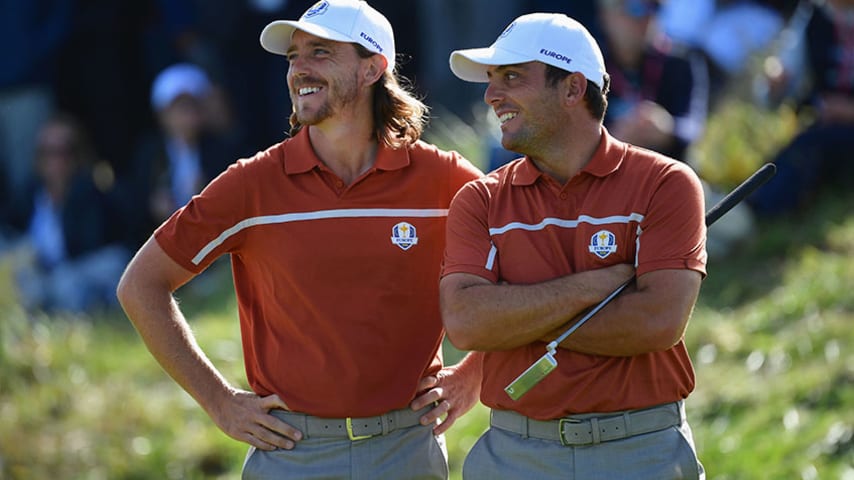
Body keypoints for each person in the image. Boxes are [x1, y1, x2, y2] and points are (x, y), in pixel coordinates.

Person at [116, 0, 483, 478]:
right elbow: (141, 286)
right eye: (293, 56)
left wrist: (473, 378)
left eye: (320, 52)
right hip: (290, 454)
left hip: (406, 450)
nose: (298, 69)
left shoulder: (444, 178)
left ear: (373, 68)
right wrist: (220, 402)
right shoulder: (252, 184)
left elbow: (527, 261)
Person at [442, 12, 707, 479]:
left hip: (642, 452)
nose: (491, 95)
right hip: (515, 453)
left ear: (572, 89)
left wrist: (514, 320)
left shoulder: (666, 183)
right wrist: (592, 287)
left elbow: (656, 322)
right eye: (491, 80)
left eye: (512, 77)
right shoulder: (479, 200)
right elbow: (466, 323)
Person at [0, 113, 129, 313]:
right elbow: (11, 231)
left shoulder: (93, 192)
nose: (55, 161)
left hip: (82, 271)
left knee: (68, 283)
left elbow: (88, 247)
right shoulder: (30, 192)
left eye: (63, 152)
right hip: (40, 277)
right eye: (47, 153)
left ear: (77, 155)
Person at [748, 0, 854, 215]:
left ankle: (760, 214)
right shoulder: (815, 15)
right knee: (798, 153)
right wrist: (776, 83)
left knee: (807, 148)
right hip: (826, 129)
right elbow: (785, 72)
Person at [597, 0, 710, 163]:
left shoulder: (681, 60)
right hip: (604, 170)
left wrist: (668, 129)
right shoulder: (587, 65)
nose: (646, 17)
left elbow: (693, 125)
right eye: (634, 8)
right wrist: (609, 137)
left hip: (664, 170)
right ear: (606, 15)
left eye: (655, 7)